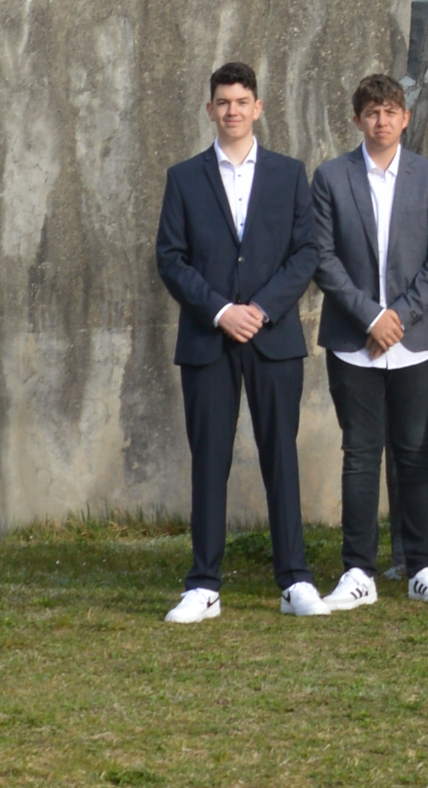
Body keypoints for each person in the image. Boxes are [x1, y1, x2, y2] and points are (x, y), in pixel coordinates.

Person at [153, 61, 324, 623]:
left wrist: (261, 308)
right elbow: (171, 259)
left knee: (282, 458)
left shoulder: (289, 174)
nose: (232, 110)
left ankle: (295, 580)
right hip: (209, 339)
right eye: (223, 102)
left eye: (242, 101)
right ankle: (203, 585)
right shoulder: (184, 177)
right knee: (210, 460)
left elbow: (306, 252)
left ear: (258, 108)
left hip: (274, 336)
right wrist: (222, 311)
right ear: (210, 110)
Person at [311, 73, 428, 611]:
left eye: (390, 111)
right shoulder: (331, 177)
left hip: (414, 340)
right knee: (359, 456)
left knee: (415, 453)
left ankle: (423, 568)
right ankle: (358, 573)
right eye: (372, 112)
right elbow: (322, 257)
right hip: (353, 342)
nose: (382, 120)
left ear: (406, 118)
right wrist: (371, 317)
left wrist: (397, 316)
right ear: (358, 119)